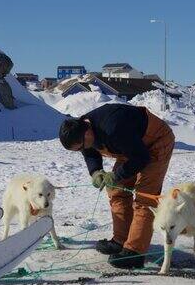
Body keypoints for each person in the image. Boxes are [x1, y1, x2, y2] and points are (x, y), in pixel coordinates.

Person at [59, 103, 175, 269]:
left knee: (144, 198)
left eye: (81, 146)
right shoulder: (82, 131)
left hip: (156, 142)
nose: (82, 150)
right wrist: (96, 171)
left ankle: (135, 252)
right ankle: (120, 241)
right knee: (116, 190)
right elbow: (90, 152)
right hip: (131, 146)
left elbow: (141, 158)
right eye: (78, 149)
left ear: (87, 132)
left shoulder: (113, 128)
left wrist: (116, 175)